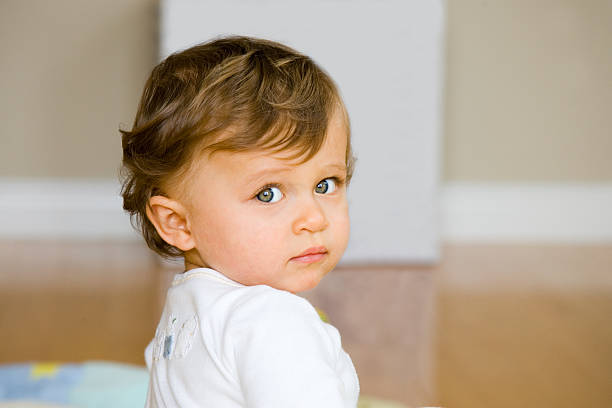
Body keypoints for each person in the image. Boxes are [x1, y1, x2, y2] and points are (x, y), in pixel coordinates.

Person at [120, 35, 359, 407]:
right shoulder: (276, 324)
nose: (314, 218)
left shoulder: (188, 307)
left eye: (326, 184)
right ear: (178, 223)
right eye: (268, 193)